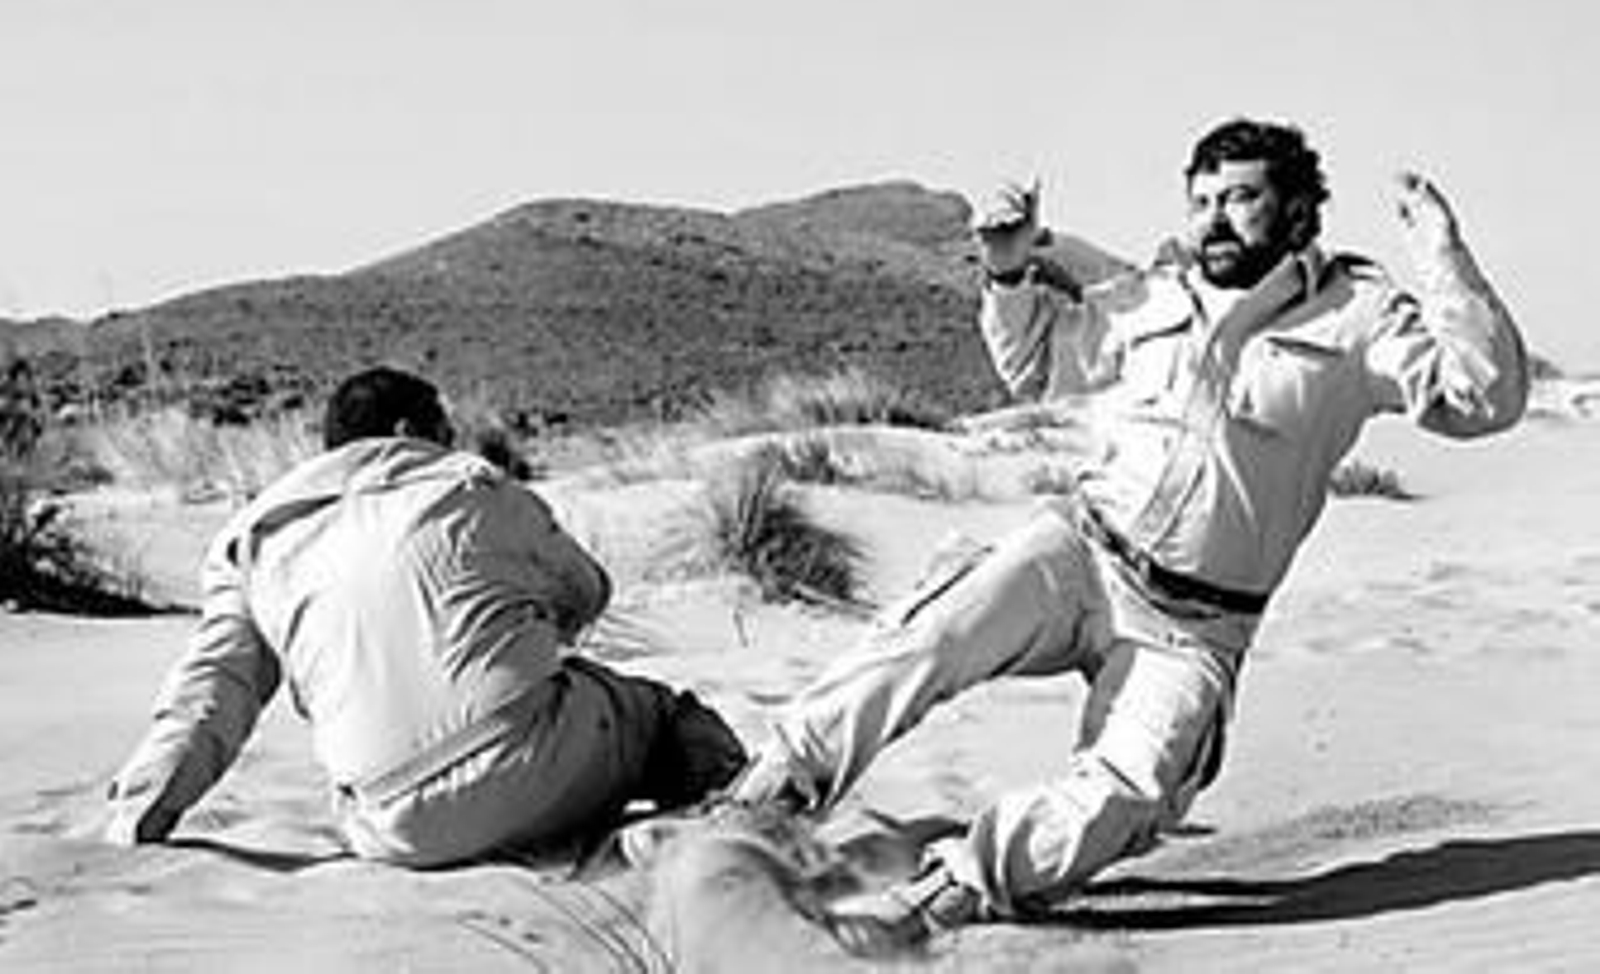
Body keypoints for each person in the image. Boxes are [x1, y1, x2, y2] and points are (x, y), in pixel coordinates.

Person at [730, 118, 1529, 951]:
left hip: (1195, 626)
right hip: (1079, 552)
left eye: (1241, 198)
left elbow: (1484, 398)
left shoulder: (1357, 316)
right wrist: (1006, 268)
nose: (1215, 218)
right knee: (924, 639)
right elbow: (1038, 362)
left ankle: (948, 888)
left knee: (1132, 791)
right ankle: (757, 808)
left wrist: (1442, 257)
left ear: (1296, 212)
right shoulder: (1151, 294)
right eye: (1202, 200)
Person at [104, 366, 746, 866]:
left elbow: (214, 689)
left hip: (387, 826)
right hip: (530, 766)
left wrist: (143, 812)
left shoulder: (252, 539)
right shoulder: (471, 483)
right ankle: (752, 820)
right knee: (662, 712)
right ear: (412, 431)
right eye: (444, 428)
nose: (451, 441)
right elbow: (587, 591)